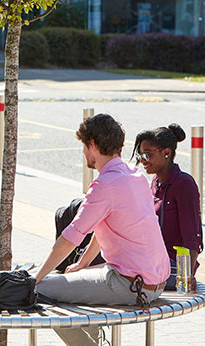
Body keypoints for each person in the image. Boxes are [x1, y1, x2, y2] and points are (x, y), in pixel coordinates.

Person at [34, 114, 170, 346]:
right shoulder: (134, 175)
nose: (84, 153)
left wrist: (36, 279)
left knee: (41, 293)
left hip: (131, 284)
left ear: (93, 145)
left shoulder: (105, 185)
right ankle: (96, 341)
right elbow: (104, 225)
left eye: (84, 146)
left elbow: (70, 238)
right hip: (154, 281)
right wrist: (83, 264)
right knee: (70, 282)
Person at [132, 124, 202, 291]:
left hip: (173, 269)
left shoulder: (184, 184)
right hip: (152, 260)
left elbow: (193, 238)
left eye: (147, 155)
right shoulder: (156, 182)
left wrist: (186, 277)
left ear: (167, 153)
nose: (143, 160)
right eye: (141, 155)